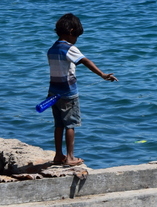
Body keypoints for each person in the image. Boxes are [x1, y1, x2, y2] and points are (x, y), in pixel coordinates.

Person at [47, 13, 117, 166]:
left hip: (53, 93)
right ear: (72, 32)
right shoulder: (69, 48)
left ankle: (58, 155)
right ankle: (70, 157)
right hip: (68, 94)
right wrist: (102, 74)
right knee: (70, 125)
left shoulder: (52, 49)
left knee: (58, 125)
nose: (76, 39)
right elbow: (85, 61)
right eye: (76, 36)